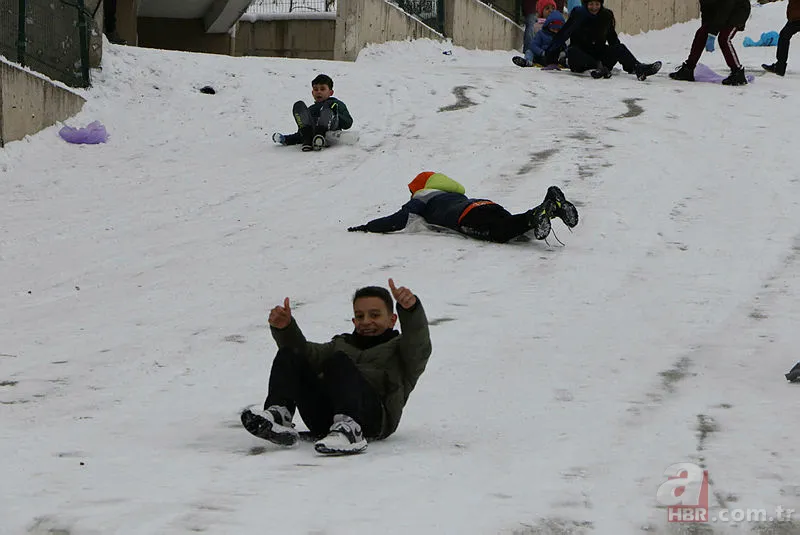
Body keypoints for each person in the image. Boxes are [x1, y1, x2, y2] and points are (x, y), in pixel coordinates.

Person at [241, 280, 431, 455]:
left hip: (373, 420)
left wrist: (411, 310)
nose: (366, 321)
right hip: (325, 419)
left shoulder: (403, 352)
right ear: (354, 321)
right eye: (360, 316)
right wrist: (285, 328)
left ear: (392, 319)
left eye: (375, 315)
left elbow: (418, 343)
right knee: (290, 353)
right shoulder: (341, 344)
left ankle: (350, 429)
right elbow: (305, 354)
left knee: (338, 361)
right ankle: (279, 415)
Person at [347, 171, 579, 243]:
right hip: (485, 204)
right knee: (510, 227)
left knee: (498, 233)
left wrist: (368, 226)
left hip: (465, 216)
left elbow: (399, 219)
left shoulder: (424, 196)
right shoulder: (452, 193)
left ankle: (536, 215)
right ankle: (551, 208)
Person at [543, 0, 662, 80]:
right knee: (572, 51)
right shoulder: (578, 14)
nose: (594, 8)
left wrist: (618, 53)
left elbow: (612, 38)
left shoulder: (606, 15)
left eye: (597, 4)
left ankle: (638, 68)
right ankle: (597, 67)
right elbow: (563, 34)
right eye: (591, 4)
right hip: (581, 58)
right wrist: (550, 58)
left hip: (599, 55)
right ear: (586, 4)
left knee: (619, 47)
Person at [669, 0, 751, 85]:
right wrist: (706, 33)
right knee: (701, 34)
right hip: (720, 11)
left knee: (724, 38)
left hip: (738, 10)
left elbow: (725, 8)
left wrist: (713, 33)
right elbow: (706, 10)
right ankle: (688, 69)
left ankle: (738, 73)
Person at [272, 74, 353, 152]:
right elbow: (302, 130)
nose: (319, 92)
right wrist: (287, 139)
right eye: (316, 89)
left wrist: (336, 113)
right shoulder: (311, 109)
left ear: (330, 92)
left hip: (330, 132)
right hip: (312, 134)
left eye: (322, 89)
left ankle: (320, 136)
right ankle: (309, 139)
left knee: (327, 107)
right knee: (299, 105)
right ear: (312, 93)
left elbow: (348, 123)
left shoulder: (336, 104)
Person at [763, 0, 800, 76]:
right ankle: (780, 66)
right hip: (796, 16)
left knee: (784, 36)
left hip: (797, 17)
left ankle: (780, 67)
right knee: (784, 36)